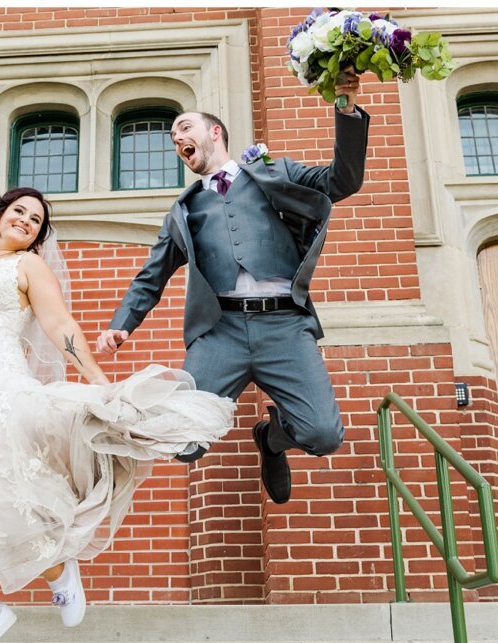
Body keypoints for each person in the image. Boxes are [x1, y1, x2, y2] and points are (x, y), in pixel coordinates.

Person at [0, 166, 234, 643]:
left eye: (37, 220)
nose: (27, 222)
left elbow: (59, 325)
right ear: (0, 216)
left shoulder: (29, 269)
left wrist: (96, 377)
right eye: (19, 212)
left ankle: (59, 571)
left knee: (7, 487)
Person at [96, 69, 368, 505]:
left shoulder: (275, 172)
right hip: (220, 331)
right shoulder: (183, 210)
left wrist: (346, 107)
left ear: (215, 132)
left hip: (284, 326)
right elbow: (152, 274)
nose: (176, 139)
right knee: (185, 444)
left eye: (183, 127)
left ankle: (272, 438)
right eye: (172, 138)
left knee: (322, 434)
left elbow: (343, 181)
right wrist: (121, 324)